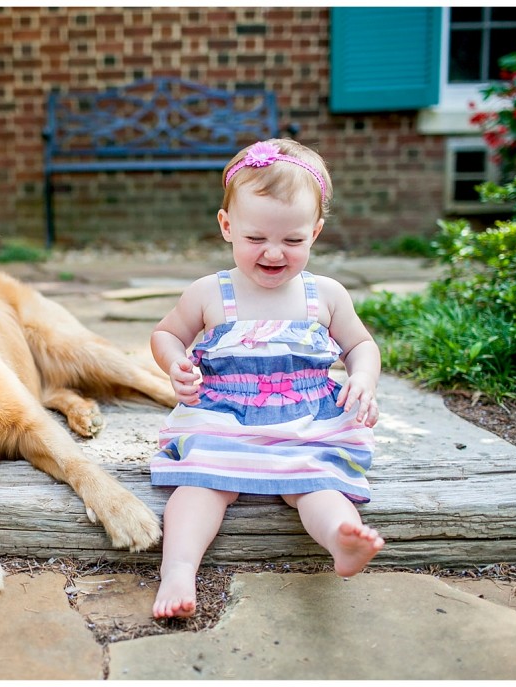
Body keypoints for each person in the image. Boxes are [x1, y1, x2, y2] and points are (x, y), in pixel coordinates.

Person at [149, 138, 385, 620]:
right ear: (227, 225)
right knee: (200, 486)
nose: (273, 253)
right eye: (256, 239)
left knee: (317, 485)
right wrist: (174, 362)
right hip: (224, 418)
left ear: (315, 232)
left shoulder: (327, 296)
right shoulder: (209, 293)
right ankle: (178, 569)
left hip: (305, 422)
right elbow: (167, 333)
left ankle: (343, 539)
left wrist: (363, 378)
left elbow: (361, 344)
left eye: (292, 241)